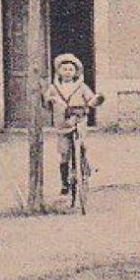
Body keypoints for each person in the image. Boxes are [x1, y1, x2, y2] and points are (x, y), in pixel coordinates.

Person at [44, 54, 104, 198]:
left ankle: (83, 166)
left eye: (71, 69)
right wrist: (50, 100)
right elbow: (46, 103)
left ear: (76, 72)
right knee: (64, 153)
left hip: (78, 121)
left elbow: (91, 99)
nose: (67, 72)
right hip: (62, 124)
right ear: (59, 71)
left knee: (81, 144)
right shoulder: (54, 88)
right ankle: (65, 183)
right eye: (64, 69)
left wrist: (94, 101)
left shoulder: (81, 87)